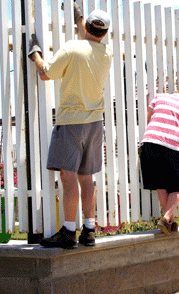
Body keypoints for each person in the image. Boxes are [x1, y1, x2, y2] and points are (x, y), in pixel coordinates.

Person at [28, 6, 113, 249]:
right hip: (95, 123)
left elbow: (45, 73)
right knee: (87, 178)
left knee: (68, 178)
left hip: (72, 122)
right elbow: (88, 38)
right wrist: (78, 16)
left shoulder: (71, 48)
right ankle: (88, 230)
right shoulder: (107, 52)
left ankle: (67, 232)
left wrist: (35, 53)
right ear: (105, 33)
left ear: (87, 27)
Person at [139, 90, 179, 235]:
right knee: (177, 186)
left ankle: (170, 221)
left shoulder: (159, 97)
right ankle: (165, 218)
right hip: (173, 147)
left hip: (150, 142)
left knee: (161, 184)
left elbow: (148, 118)